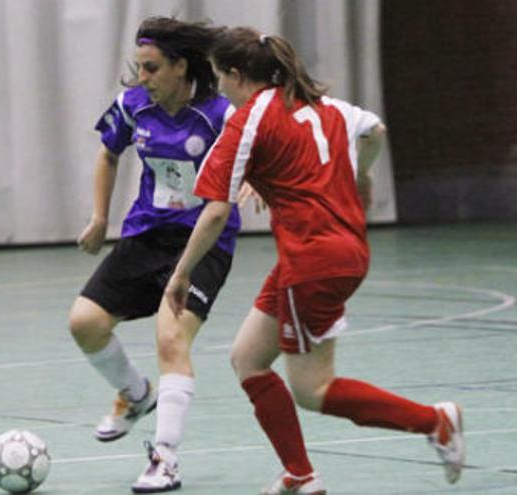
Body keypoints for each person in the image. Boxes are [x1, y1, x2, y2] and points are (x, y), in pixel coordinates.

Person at [164, 27, 465, 494]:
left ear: (238, 75)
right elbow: (375, 130)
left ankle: (435, 422)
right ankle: (300, 475)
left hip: (313, 260)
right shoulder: (322, 107)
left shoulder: (248, 119)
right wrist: (362, 175)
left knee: (313, 389)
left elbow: (217, 210)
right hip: (335, 251)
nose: (218, 86)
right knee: (248, 357)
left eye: (220, 76)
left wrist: (181, 274)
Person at [68, 16, 240, 493]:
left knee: (171, 339)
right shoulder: (132, 106)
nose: (142, 77)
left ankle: (165, 459)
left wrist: (256, 184)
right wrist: (100, 218)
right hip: (145, 235)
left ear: (181, 67)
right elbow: (108, 155)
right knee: (84, 323)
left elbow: (251, 160)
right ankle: (134, 394)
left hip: (203, 242)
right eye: (139, 67)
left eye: (152, 68)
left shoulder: (220, 115)